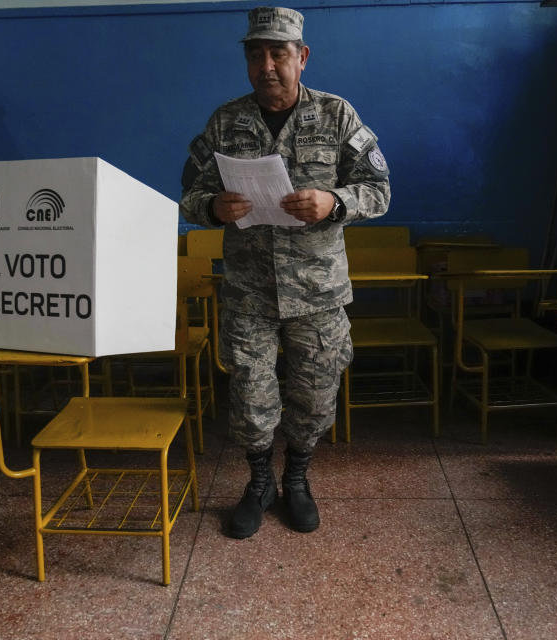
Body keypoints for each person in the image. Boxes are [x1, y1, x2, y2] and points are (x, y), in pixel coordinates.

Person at [179, 6, 390, 539]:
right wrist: (212, 209)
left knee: (315, 395)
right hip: (249, 290)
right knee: (250, 396)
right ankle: (258, 483)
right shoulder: (226, 121)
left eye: (278, 53)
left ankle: (296, 479)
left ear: (303, 57)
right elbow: (190, 194)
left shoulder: (337, 115)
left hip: (317, 291)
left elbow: (380, 190)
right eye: (256, 54)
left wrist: (334, 201)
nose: (267, 65)